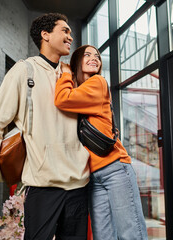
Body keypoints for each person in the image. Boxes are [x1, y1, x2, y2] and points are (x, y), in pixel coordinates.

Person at [0, 13, 90, 240]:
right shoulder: (24, 71)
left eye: (71, 32)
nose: (71, 37)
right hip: (43, 186)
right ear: (45, 35)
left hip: (78, 186)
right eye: (65, 31)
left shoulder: (72, 75)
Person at [54, 45, 148, 240]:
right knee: (103, 236)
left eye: (97, 56)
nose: (94, 58)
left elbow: (63, 99)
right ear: (77, 61)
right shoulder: (83, 90)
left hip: (115, 169)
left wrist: (65, 74)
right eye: (87, 55)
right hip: (94, 177)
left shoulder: (97, 82)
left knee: (130, 233)